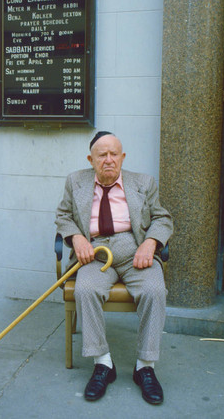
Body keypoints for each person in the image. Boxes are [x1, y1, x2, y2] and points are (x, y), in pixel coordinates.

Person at [55, 131, 173, 404]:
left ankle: (145, 366)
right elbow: (62, 215)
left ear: (122, 157)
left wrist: (151, 243)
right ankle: (103, 363)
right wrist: (76, 238)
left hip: (136, 253)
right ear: (91, 159)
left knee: (155, 290)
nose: (108, 160)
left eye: (113, 154)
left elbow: (163, 218)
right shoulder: (76, 181)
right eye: (101, 155)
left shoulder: (143, 183)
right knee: (85, 290)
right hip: (95, 255)